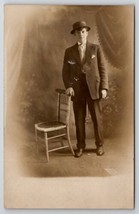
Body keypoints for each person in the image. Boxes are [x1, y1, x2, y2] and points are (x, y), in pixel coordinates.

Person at [62, 21, 108, 158]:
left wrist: (104, 87)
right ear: (75, 34)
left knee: (97, 119)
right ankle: (80, 146)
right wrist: (69, 86)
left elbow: (103, 69)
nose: (81, 34)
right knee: (79, 120)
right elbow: (65, 72)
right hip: (78, 91)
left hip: (94, 89)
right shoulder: (69, 52)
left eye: (83, 31)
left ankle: (99, 145)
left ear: (87, 33)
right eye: (78, 32)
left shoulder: (96, 49)